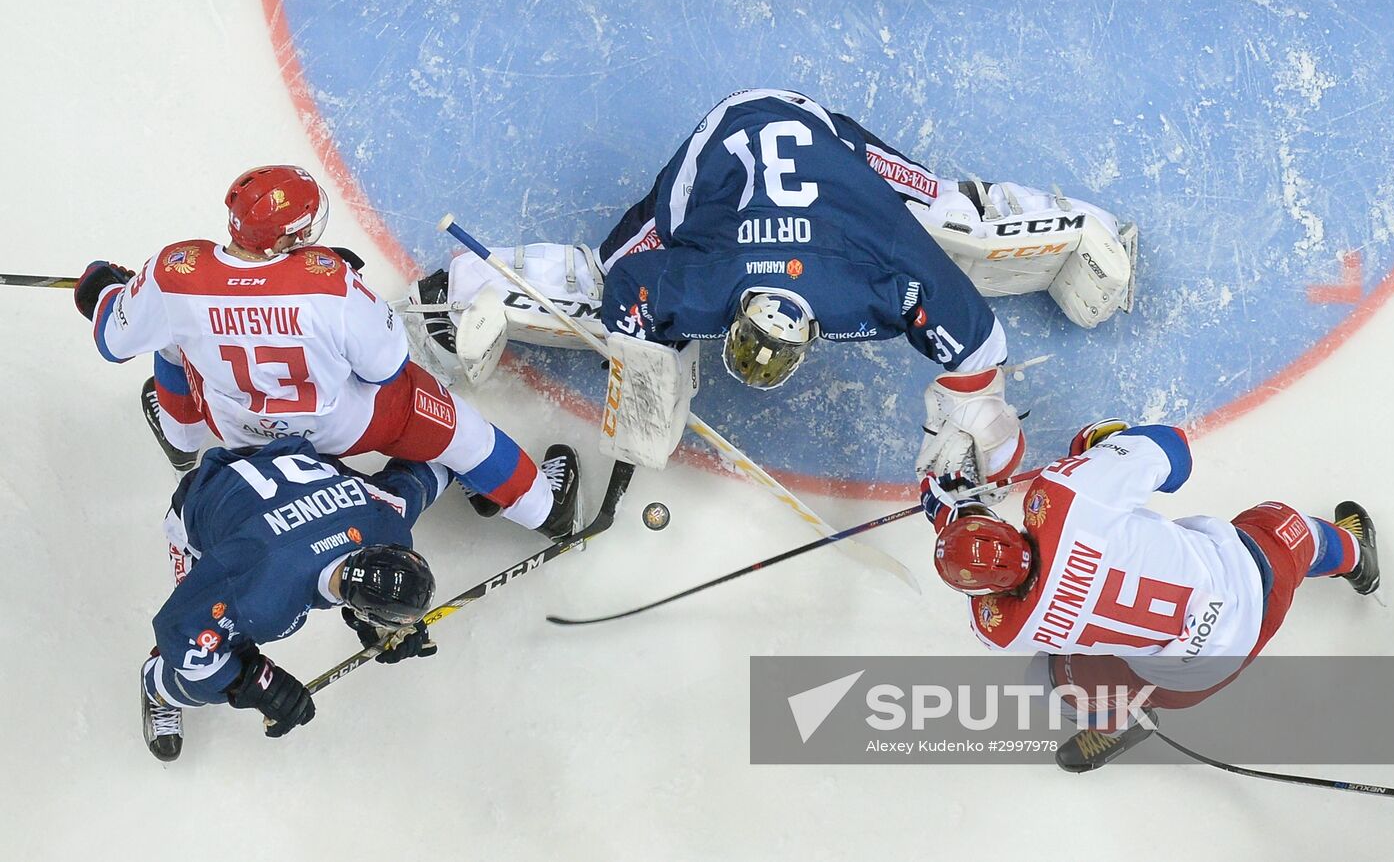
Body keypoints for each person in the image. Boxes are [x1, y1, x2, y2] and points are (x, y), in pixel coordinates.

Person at [406, 88, 1136, 488]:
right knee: (621, 259)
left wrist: (981, 420)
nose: (757, 368)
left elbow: (975, 339)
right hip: (717, 159)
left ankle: (1087, 233)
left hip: (827, 141)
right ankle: (468, 283)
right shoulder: (741, 283)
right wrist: (646, 356)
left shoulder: (872, 282)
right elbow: (628, 285)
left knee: (947, 216)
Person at [73, 165, 580, 540]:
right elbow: (385, 367)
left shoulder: (172, 272)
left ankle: (182, 438)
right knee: (457, 429)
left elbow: (112, 341)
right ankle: (547, 510)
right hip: (343, 426)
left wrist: (107, 290)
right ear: (290, 237)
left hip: (235, 427)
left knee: (168, 337)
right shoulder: (327, 281)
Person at [921, 419, 1380, 771]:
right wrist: (1099, 448)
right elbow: (1174, 451)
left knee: (1045, 683)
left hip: (1190, 680)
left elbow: (989, 596)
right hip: (1255, 579)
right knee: (1292, 527)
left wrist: (950, 520)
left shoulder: (1002, 627)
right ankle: (1357, 556)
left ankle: (1116, 723)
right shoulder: (1064, 498)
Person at [140, 436, 508, 761]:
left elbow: (431, 466)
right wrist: (251, 683)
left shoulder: (385, 520)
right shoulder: (261, 596)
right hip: (203, 500)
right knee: (206, 668)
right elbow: (179, 631)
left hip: (279, 470)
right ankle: (158, 689)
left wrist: (471, 471)